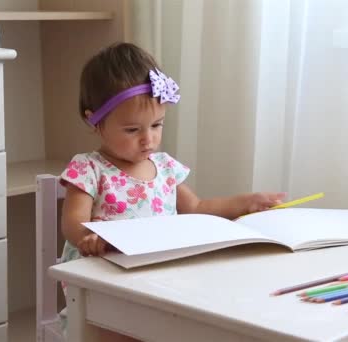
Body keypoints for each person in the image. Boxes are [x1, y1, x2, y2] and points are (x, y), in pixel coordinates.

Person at [58, 42, 285, 341]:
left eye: (156, 125)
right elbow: (72, 222)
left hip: (155, 274)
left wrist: (246, 202)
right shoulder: (89, 168)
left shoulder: (165, 167)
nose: (148, 139)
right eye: (132, 130)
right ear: (94, 121)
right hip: (104, 278)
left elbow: (198, 207)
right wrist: (89, 238)